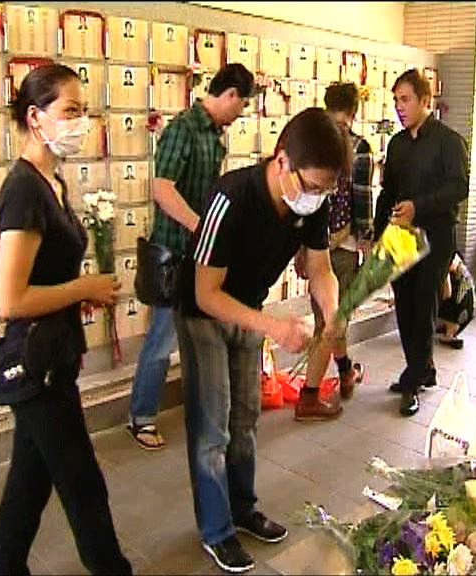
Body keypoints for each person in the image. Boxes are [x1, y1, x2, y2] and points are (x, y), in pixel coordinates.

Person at [174, 107, 346, 573]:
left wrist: (331, 310)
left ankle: (243, 508)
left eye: (325, 189)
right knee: (213, 426)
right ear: (282, 160)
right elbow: (204, 294)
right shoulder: (231, 198)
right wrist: (274, 327)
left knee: (247, 417)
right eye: (310, 186)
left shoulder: (313, 203)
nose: (315, 198)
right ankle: (216, 530)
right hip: (205, 313)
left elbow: (321, 269)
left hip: (248, 308)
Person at [0, 63, 131, 575]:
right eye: (69, 110)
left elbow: (44, 276)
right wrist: (83, 288)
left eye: (83, 110)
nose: (81, 121)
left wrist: (77, 297)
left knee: (29, 482)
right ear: (35, 116)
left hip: (55, 356)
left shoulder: (53, 182)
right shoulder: (24, 190)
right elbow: (9, 301)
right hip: (37, 365)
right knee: (82, 484)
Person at [127, 63, 255, 451]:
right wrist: (202, 226)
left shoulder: (215, 135)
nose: (241, 114)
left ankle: (202, 412)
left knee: (199, 336)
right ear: (230, 94)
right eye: (242, 105)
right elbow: (162, 190)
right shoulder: (183, 128)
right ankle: (141, 416)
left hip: (201, 254)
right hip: (176, 253)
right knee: (162, 339)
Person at [373, 68, 469, 417]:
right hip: (400, 235)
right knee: (403, 302)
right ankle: (422, 367)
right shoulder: (397, 144)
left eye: (406, 99)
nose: (400, 107)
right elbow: (389, 191)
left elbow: (458, 188)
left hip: (436, 235)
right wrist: (377, 231)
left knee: (422, 305)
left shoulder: (448, 141)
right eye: (396, 100)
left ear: (425, 101)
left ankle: (413, 380)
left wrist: (419, 207)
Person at [293, 82, 374, 420]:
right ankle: (310, 397)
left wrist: (302, 248)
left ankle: (344, 373)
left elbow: (300, 201)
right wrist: (365, 239)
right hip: (337, 246)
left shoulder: (315, 144)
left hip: (319, 245)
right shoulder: (359, 147)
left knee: (328, 320)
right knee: (331, 321)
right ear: (354, 112)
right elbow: (362, 198)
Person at [437, 251, 476, 349]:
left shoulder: (444, 263)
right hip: (470, 308)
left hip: (460, 307)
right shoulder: (454, 257)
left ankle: (449, 333)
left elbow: (447, 293)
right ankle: (450, 328)